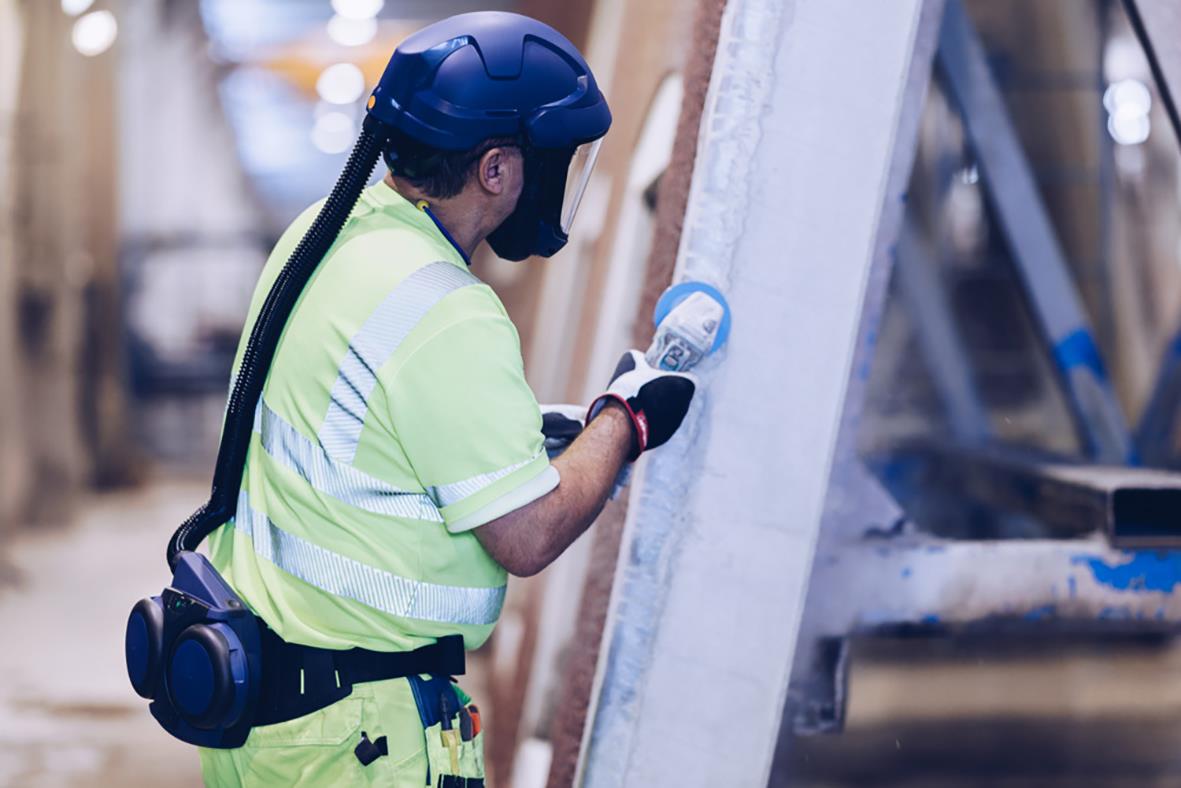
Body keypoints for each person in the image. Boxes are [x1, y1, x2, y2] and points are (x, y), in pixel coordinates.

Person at [198, 11, 695, 786]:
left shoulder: (323, 236)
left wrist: (521, 437)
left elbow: (358, 418)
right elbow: (528, 534)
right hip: (360, 736)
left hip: (264, 717)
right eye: (554, 159)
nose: (558, 178)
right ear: (495, 169)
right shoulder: (446, 308)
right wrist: (624, 419)